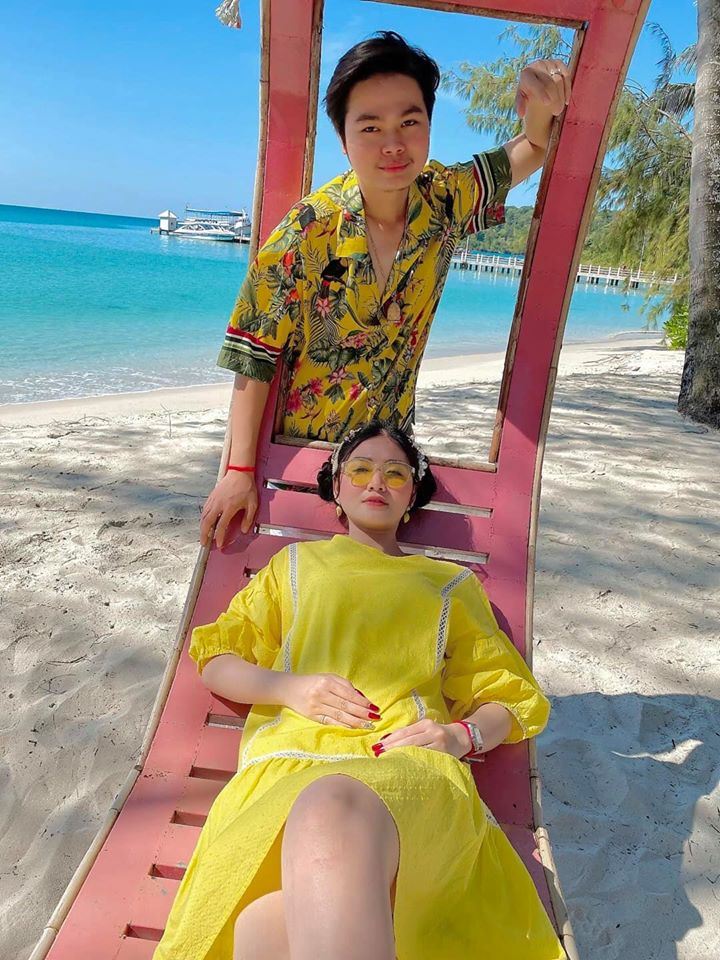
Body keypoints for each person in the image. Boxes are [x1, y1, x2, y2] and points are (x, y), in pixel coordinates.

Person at [156, 420, 565, 960]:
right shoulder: (294, 566)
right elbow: (217, 659)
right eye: (361, 470)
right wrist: (290, 688)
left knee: (329, 810)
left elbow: (509, 697)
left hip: (403, 767)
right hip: (285, 768)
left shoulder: (447, 584)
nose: (377, 482)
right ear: (337, 486)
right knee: (263, 924)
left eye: (395, 474)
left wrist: (461, 735)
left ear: (412, 495)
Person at [200, 31, 571, 548]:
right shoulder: (308, 230)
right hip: (301, 459)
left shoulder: (444, 200)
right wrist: (239, 470)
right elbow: (253, 351)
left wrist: (539, 102)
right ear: (343, 138)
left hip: (390, 465)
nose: (393, 144)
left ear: (429, 126)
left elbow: (534, 148)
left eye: (409, 122)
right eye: (370, 126)